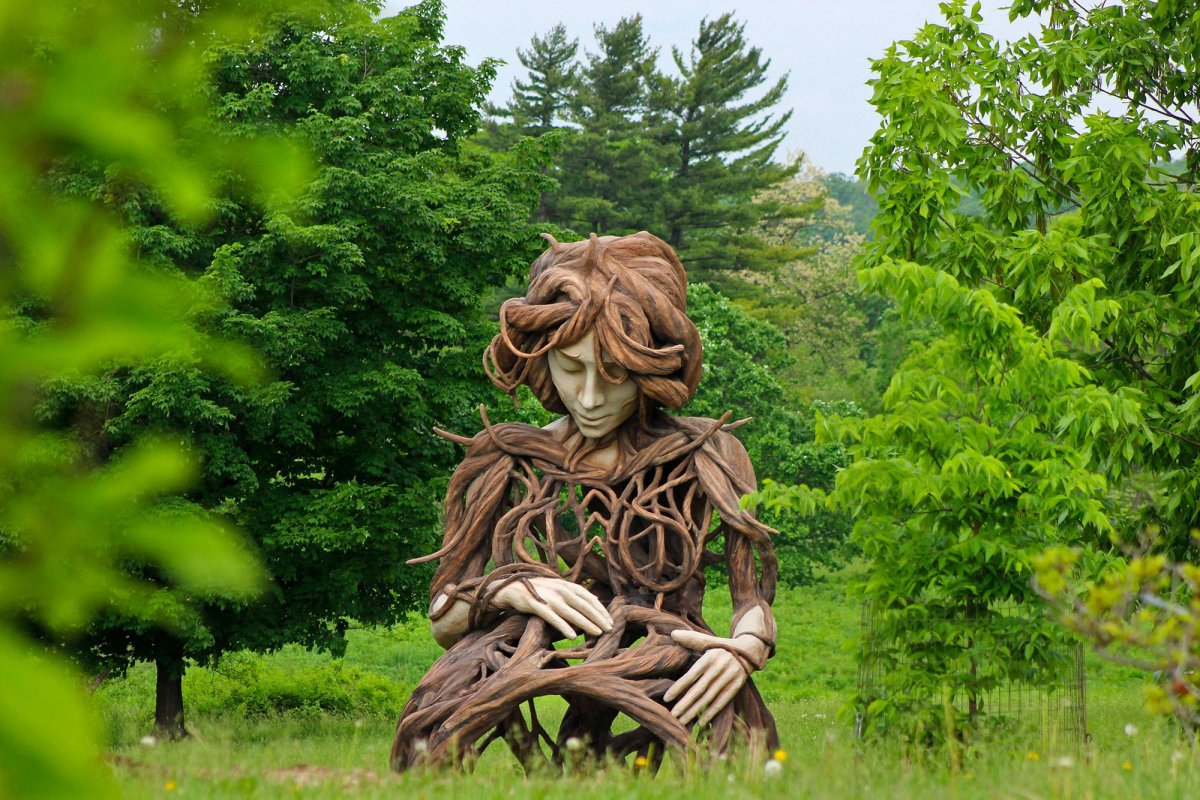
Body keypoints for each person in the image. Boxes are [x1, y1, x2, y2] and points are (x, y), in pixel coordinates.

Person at [391, 232, 778, 771]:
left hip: (670, 653)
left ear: (650, 366)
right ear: (542, 358)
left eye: (615, 373)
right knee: (440, 716)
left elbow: (750, 602)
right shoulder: (505, 458)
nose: (591, 398)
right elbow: (443, 620)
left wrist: (745, 649)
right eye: (572, 368)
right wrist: (509, 589)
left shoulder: (708, 454)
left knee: (734, 743)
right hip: (524, 649)